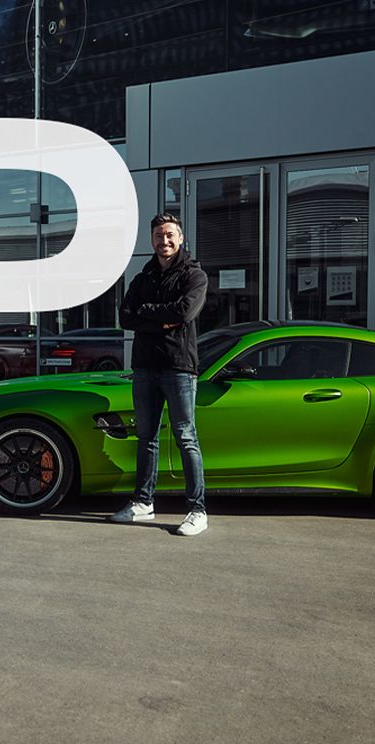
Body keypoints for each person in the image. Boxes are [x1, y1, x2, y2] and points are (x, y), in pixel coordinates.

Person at [110, 213, 209, 536]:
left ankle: (197, 509)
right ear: (151, 241)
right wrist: (158, 316)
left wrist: (146, 312)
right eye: (157, 236)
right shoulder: (143, 278)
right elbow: (126, 317)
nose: (163, 241)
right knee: (146, 438)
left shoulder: (194, 276)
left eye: (169, 235)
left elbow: (184, 312)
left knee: (186, 437)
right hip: (144, 368)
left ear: (180, 238)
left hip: (179, 368)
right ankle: (143, 504)